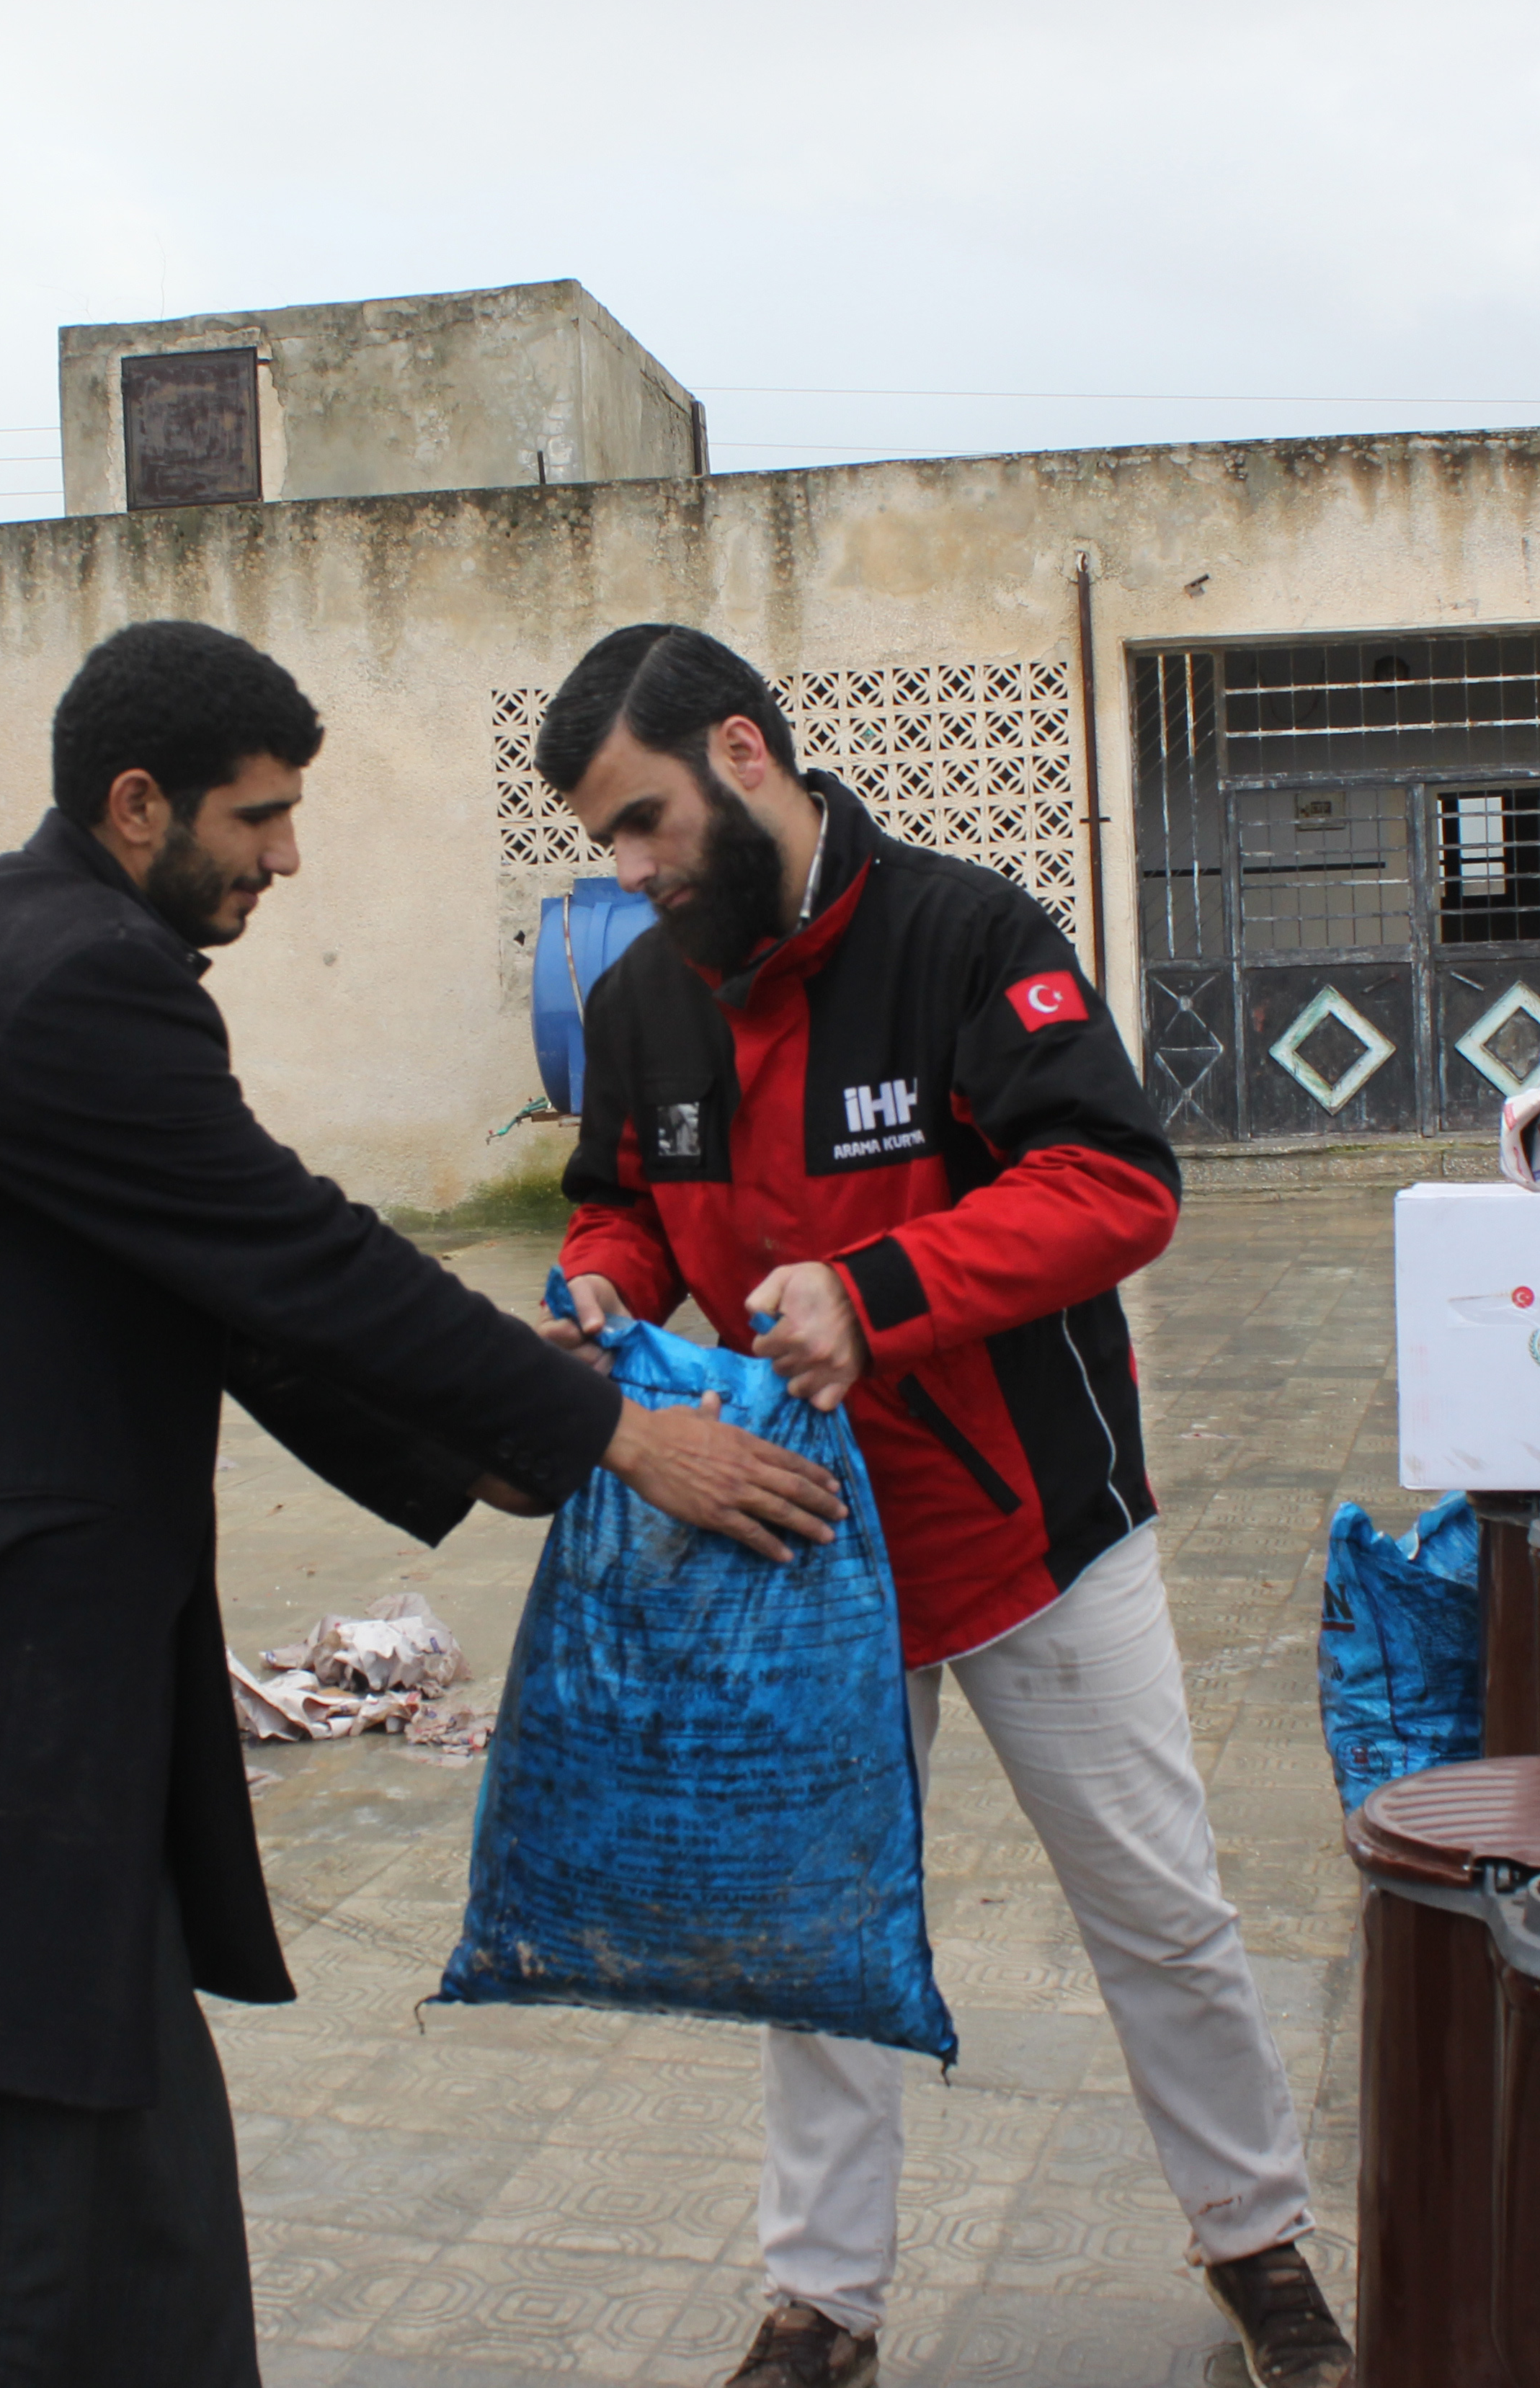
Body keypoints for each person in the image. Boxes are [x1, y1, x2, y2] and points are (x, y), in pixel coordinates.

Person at [0, 618, 847, 2384]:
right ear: (137, 804)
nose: (288, 856)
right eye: (257, 817)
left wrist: (483, 1449)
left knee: (111, 2195)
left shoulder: (50, 951)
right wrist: (609, 1435)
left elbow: (223, 1294)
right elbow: (290, 1252)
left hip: (2, 1714)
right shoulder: (70, 981)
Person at [534, 626, 1352, 2388]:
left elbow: (1114, 1184)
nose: (630, 869)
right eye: (604, 841)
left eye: (644, 821)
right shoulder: (640, 1000)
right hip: (794, 1538)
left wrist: (876, 1290)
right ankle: (819, 2304)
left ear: (741, 753)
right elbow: (621, 1205)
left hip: (1026, 1528)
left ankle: (1256, 2238)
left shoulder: (966, 936)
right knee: (814, 1926)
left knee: (1156, 1907)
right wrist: (599, 1287)